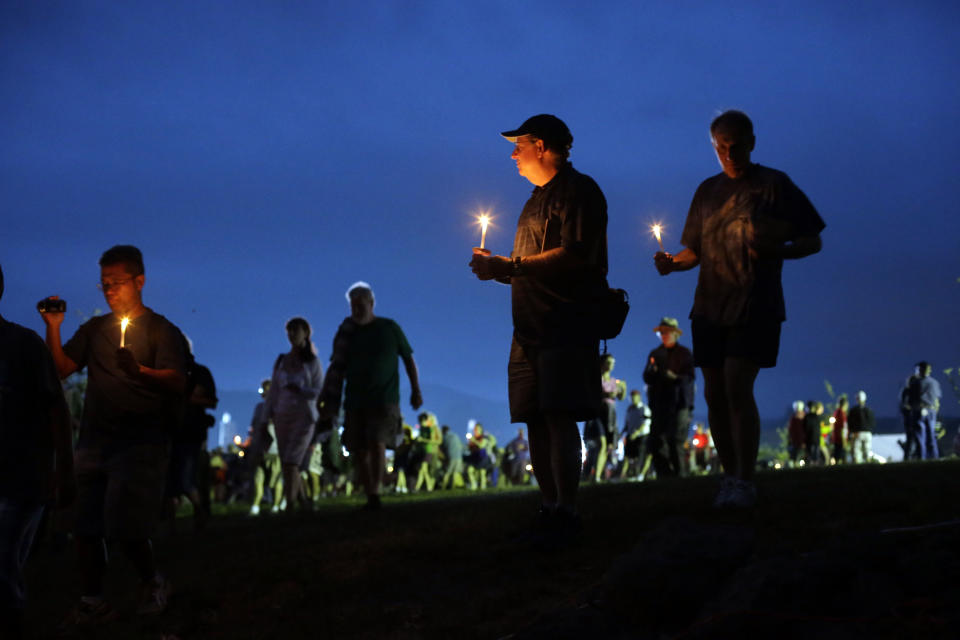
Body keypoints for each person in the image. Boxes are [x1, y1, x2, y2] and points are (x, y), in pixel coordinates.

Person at [654, 110, 825, 508]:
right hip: (708, 305)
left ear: (752, 142)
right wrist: (672, 263)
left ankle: (745, 480)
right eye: (722, 147)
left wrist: (777, 249)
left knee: (736, 384)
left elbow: (813, 239)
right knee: (714, 393)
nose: (730, 154)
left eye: (737, 145)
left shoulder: (774, 185)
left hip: (755, 304)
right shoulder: (707, 191)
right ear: (714, 147)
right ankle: (729, 478)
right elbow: (694, 250)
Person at [469, 114, 608, 540]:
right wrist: (499, 269)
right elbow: (530, 266)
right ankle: (548, 507)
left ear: (542, 147)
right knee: (534, 418)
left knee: (560, 415)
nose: (513, 154)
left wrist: (507, 265)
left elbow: (575, 255)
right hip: (527, 327)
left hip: (564, 323)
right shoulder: (534, 200)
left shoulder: (580, 192)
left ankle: (567, 508)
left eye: (519, 145)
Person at [39, 245, 186, 624]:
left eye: (117, 283)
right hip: (94, 439)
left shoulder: (161, 330)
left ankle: (152, 580)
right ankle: (93, 599)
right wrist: (53, 328)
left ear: (140, 281)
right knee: (85, 524)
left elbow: (177, 380)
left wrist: (139, 372)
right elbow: (61, 368)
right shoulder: (95, 330)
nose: (109, 291)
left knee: (125, 523)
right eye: (104, 284)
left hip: (138, 440)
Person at [0, 265, 76, 639]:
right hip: (20, 475)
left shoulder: (22, 345)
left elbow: (55, 408)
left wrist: (64, 470)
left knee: (3, 563)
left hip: (19, 477)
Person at [318, 282, 423, 510]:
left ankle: (375, 493)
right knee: (358, 449)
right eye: (353, 305)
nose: (357, 309)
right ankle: (370, 494)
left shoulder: (389, 327)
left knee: (377, 443)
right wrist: (325, 395)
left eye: (361, 304)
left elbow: (408, 358)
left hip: (384, 400)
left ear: (372, 304)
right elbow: (336, 366)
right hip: (355, 400)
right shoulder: (348, 333)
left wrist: (416, 389)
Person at [263, 317, 323, 511]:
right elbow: (274, 392)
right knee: (288, 463)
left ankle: (289, 504)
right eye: (289, 331)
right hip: (282, 416)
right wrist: (267, 415)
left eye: (295, 331)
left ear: (305, 333)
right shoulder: (282, 361)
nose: (292, 335)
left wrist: (301, 390)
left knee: (291, 461)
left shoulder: (312, 362)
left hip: (303, 417)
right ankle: (303, 501)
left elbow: (319, 390)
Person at [163, 333, 217, 532]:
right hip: (171, 432)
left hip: (191, 433)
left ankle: (199, 513)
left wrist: (186, 399)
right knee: (170, 481)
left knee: (186, 478)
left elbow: (211, 401)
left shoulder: (200, 373)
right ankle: (172, 525)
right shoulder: (167, 374)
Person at [643, 318, 695, 478]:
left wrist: (674, 377)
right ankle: (665, 475)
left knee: (676, 439)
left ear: (675, 333)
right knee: (657, 440)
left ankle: (681, 475)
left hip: (680, 403)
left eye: (666, 332)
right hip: (659, 403)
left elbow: (689, 377)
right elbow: (646, 376)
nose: (663, 335)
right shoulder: (655, 353)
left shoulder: (684, 353)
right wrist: (656, 373)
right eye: (661, 332)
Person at [247, 380, 283, 515]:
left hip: (275, 449)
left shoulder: (279, 407)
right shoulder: (259, 408)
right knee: (258, 478)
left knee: (276, 480)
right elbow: (254, 428)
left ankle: (275, 505)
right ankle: (256, 506)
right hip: (260, 448)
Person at [904, 361, 942, 460]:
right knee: (931, 436)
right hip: (931, 411)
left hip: (919, 410)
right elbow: (937, 400)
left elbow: (909, 401)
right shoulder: (935, 383)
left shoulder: (915, 383)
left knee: (920, 436)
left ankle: (922, 457)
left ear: (920, 370)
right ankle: (934, 457)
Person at [620, 389, 652, 480]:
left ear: (639, 397)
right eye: (632, 397)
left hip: (642, 436)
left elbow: (647, 422)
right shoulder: (629, 410)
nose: (633, 399)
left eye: (635, 397)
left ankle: (640, 475)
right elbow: (627, 424)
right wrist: (621, 434)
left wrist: (637, 432)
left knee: (641, 455)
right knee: (627, 456)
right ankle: (623, 475)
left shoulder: (644, 408)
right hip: (631, 435)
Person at [414, 411, 442, 492]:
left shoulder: (434, 428)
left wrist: (423, 440)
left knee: (430, 470)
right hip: (425, 451)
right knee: (424, 469)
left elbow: (438, 441)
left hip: (432, 451)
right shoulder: (424, 429)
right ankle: (427, 487)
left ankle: (424, 487)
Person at [465, 423, 497, 490]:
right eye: (474, 429)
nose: (475, 430)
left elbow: (481, 445)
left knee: (482, 472)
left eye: (476, 429)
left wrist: (473, 440)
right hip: (474, 457)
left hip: (482, 457)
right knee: (469, 470)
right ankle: (473, 485)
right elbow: (470, 448)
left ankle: (483, 487)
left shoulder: (483, 437)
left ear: (480, 429)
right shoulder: (473, 438)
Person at [847, 390, 875, 464]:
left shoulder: (853, 411)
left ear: (857, 399)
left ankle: (857, 469)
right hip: (868, 433)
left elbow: (849, 422)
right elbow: (872, 422)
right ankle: (868, 466)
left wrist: (851, 432)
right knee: (867, 451)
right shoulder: (869, 410)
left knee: (856, 452)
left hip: (857, 433)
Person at [439, 425, 465, 489]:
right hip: (458, 456)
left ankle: (443, 486)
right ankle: (452, 487)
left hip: (451, 456)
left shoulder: (444, 437)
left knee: (448, 472)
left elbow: (442, 447)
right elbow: (461, 446)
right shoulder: (455, 436)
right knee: (455, 472)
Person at [831, 394, 848, 464]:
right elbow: (842, 428)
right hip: (840, 439)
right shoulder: (841, 413)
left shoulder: (836, 412)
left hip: (836, 438)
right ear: (845, 404)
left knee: (838, 457)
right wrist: (844, 440)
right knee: (840, 459)